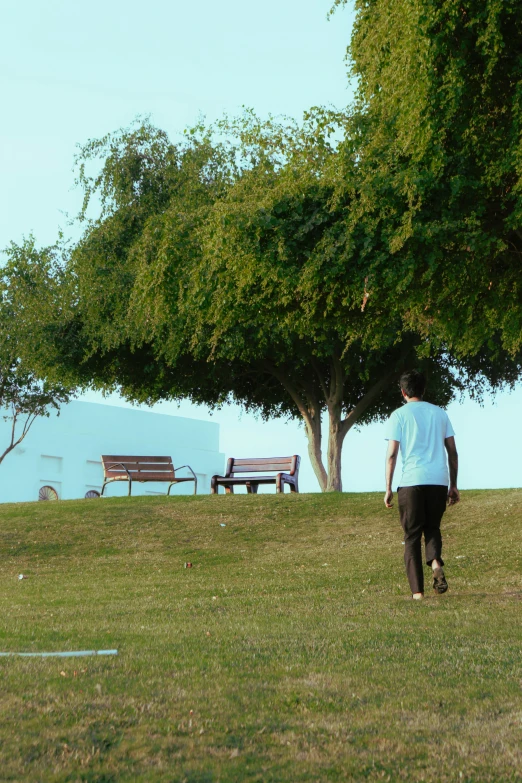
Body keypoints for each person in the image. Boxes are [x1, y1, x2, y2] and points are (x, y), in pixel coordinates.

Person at [384, 370, 459, 599]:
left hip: (411, 483)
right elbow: (453, 453)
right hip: (438, 481)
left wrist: (388, 487)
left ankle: (418, 593)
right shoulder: (440, 414)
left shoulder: (399, 415)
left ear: (403, 391)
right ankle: (435, 563)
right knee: (433, 528)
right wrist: (453, 485)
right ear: (423, 390)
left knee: (412, 537)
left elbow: (392, 454)